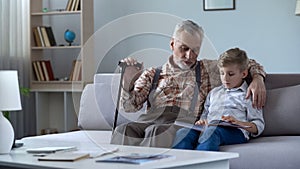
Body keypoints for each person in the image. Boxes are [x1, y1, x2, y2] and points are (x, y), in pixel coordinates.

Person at [110, 20, 266, 148]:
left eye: (195, 50)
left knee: (156, 131)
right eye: (184, 49)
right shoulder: (152, 73)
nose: (189, 56)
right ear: (172, 45)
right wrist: (127, 83)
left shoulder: (209, 69)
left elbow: (244, 63)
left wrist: (257, 78)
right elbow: (130, 107)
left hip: (181, 122)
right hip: (150, 119)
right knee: (123, 130)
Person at [172, 48, 265, 151]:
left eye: (231, 74)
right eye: (222, 73)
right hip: (209, 128)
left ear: (243, 74)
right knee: (183, 133)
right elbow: (205, 115)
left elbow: (258, 126)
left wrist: (239, 123)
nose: (225, 78)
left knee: (212, 131)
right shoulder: (214, 93)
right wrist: (202, 122)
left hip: (236, 131)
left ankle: (204, 165)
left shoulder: (249, 94)